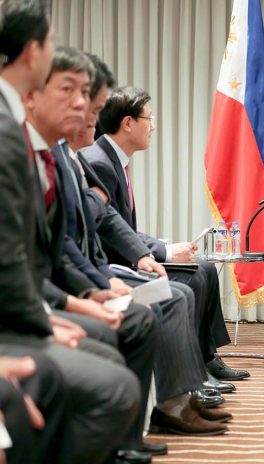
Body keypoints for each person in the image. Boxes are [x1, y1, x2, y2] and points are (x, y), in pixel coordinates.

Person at [0, 1, 140, 463]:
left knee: (120, 353)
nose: (83, 108)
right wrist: (50, 316)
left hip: (32, 306)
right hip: (20, 318)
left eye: (88, 97)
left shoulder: (51, 153)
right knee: (113, 382)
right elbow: (18, 257)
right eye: (71, 90)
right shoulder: (9, 136)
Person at [82, 86, 248, 383]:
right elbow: (107, 232)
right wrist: (164, 252)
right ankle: (193, 370)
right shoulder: (99, 162)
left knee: (205, 269)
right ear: (128, 123)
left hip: (127, 260)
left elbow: (121, 226)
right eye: (149, 117)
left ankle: (205, 358)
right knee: (194, 277)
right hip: (114, 268)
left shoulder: (113, 159)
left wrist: (161, 246)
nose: (153, 125)